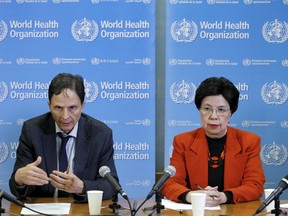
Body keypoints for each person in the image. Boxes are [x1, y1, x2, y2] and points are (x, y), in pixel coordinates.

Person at [9, 73, 118, 202]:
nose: (65, 116)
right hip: (43, 210)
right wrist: (19, 179)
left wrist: (82, 187)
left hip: (82, 211)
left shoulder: (100, 134)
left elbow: (112, 187)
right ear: (49, 105)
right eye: (58, 108)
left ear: (83, 105)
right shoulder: (32, 130)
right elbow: (16, 187)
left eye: (72, 108)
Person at [162, 77, 265, 206]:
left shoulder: (249, 142)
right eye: (207, 109)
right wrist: (192, 196)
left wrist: (224, 197)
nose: (213, 116)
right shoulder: (183, 141)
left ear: (231, 113)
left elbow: (255, 185)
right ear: (199, 110)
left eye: (221, 110)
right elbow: (171, 183)